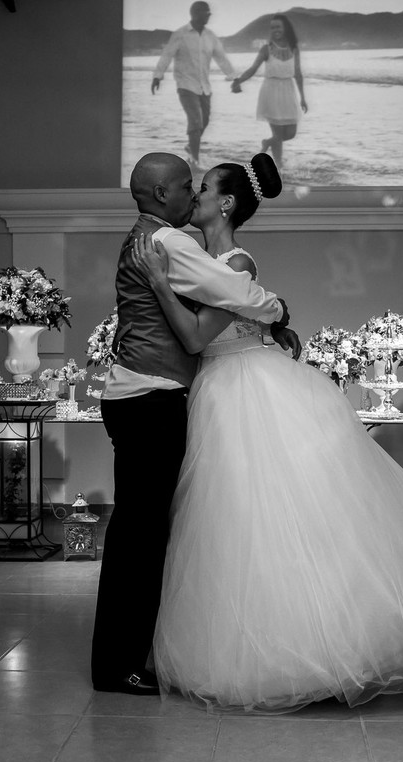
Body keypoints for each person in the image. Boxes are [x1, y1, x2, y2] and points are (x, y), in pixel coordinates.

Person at [129, 153, 403, 713]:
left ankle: (308, 647)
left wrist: (158, 284)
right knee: (237, 519)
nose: (194, 196)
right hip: (223, 387)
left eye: (202, 189)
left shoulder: (237, 262)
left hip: (243, 385)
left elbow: (199, 338)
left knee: (269, 517)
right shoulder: (205, 257)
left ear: (225, 203)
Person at [91, 151, 296, 697]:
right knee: (141, 535)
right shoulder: (170, 243)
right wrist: (277, 309)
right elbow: (234, 299)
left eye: (202, 187)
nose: (193, 194)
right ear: (163, 196)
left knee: (145, 531)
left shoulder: (153, 238)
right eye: (188, 185)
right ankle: (119, 662)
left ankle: (126, 656)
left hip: (152, 396)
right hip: (150, 399)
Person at [151, 2, 238, 171]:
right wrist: (157, 76)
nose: (208, 16)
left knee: (204, 121)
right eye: (206, 13)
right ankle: (194, 161)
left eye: (209, 13)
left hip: (204, 87)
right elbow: (167, 55)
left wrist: (234, 77)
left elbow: (221, 58)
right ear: (195, 14)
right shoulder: (180, 34)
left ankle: (191, 147)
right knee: (196, 121)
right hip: (185, 86)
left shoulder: (210, 36)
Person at [231, 14, 307, 169]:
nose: (275, 30)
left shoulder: (294, 49)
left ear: (285, 28)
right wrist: (239, 80)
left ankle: (268, 142)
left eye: (278, 26)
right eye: (272, 27)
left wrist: (303, 98)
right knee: (278, 135)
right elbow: (253, 69)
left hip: (288, 91)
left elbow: (298, 74)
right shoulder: (267, 49)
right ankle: (278, 167)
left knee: (291, 133)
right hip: (271, 92)